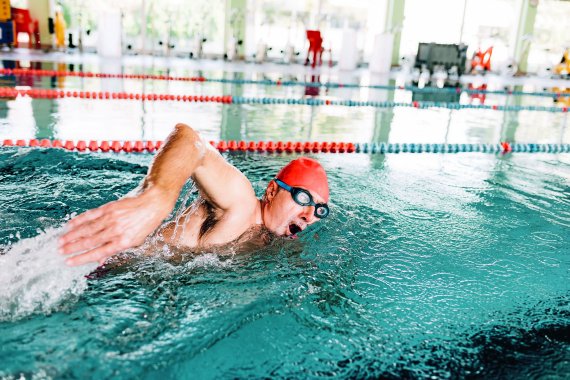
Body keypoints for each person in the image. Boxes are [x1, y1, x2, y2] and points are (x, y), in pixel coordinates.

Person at [59, 123, 330, 266]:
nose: (308, 215)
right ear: (272, 191)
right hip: (106, 259)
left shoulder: (270, 238)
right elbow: (190, 139)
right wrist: (157, 196)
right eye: (303, 198)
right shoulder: (242, 202)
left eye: (319, 209)